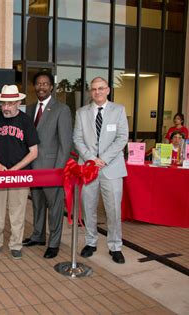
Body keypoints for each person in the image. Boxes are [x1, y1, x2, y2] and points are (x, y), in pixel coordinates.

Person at [73, 77, 129, 264]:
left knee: (113, 210)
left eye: (101, 88)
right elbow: (77, 139)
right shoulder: (81, 113)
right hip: (88, 168)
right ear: (90, 91)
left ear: (108, 90)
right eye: (94, 89)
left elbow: (122, 138)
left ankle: (115, 246)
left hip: (111, 169)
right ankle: (91, 242)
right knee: (88, 208)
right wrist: (91, 158)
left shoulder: (118, 110)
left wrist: (103, 159)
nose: (97, 92)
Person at [22, 71, 73, 259]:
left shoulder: (62, 109)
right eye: (38, 84)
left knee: (55, 208)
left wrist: (58, 171)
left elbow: (66, 144)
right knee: (37, 204)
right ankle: (38, 236)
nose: (41, 87)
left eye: (45, 84)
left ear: (51, 87)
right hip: (33, 168)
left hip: (52, 169)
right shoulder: (29, 108)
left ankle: (54, 242)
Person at [0, 85, 39, 260]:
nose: (5, 107)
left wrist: (14, 169)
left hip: (20, 174)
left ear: (18, 102)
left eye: (10, 103)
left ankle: (16, 244)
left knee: (17, 211)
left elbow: (34, 152)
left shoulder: (26, 121)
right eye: (3, 103)